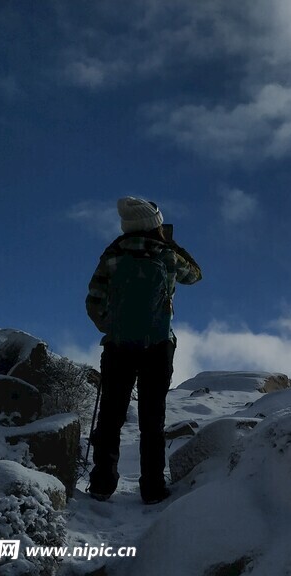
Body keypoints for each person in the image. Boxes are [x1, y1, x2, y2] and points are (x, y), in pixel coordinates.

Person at [85, 197, 202, 504]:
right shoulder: (166, 255)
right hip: (158, 345)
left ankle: (101, 483)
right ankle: (152, 487)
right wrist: (172, 243)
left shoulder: (112, 254)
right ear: (154, 224)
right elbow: (195, 275)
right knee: (153, 417)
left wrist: (111, 328)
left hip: (117, 346)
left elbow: (93, 301)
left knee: (111, 414)